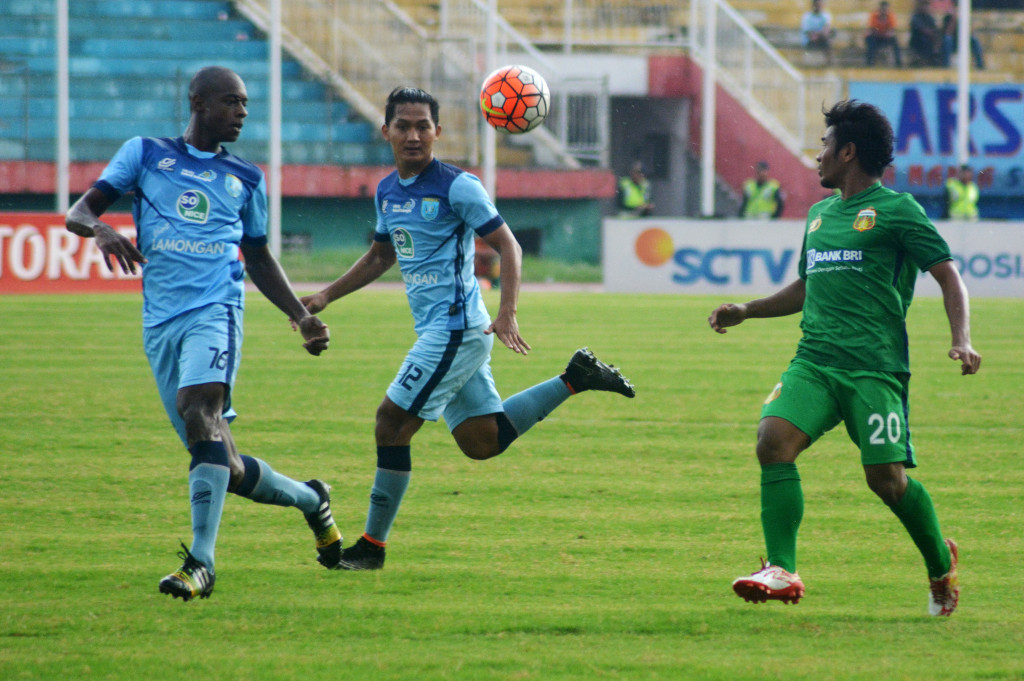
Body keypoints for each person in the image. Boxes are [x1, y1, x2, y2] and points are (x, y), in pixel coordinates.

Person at [299, 87, 636, 571]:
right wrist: (327, 294)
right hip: (445, 332)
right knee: (482, 441)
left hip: (456, 330)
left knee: (390, 423)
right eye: (403, 126)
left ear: (438, 131)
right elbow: (381, 255)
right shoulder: (387, 190)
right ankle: (576, 377)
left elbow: (509, 246)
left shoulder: (458, 186)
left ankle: (372, 548)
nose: (413, 135)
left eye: (423, 126)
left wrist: (509, 311)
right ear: (386, 131)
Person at [65, 66, 340, 602]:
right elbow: (80, 210)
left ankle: (202, 563)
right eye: (232, 102)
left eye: (245, 105)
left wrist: (298, 316)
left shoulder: (246, 177)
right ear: (198, 101)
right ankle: (313, 500)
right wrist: (100, 228)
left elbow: (258, 255)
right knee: (224, 463)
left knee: (200, 412)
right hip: (160, 323)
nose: (242, 113)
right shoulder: (145, 154)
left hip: (216, 312)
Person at [708, 99, 981, 616]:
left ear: (848, 152)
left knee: (887, 481)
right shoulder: (818, 216)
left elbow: (948, 275)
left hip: (873, 369)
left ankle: (939, 563)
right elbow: (809, 288)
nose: (818, 156)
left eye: (824, 146)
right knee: (772, 441)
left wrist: (961, 338)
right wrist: (749, 309)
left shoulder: (899, 211)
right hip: (814, 362)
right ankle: (781, 568)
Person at [865, 1, 903, 67]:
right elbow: (872, 29)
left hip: (886, 38)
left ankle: (898, 63)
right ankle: (870, 63)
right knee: (870, 40)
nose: (884, 11)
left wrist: (888, 33)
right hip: (876, 37)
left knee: (895, 41)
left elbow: (892, 29)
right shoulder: (874, 15)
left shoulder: (891, 16)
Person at [800, 0, 836, 65]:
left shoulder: (825, 15)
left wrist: (817, 34)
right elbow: (808, 32)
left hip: (821, 38)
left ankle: (829, 62)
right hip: (810, 40)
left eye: (820, 5)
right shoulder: (807, 16)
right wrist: (818, 34)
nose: (819, 6)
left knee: (832, 33)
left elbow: (826, 29)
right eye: (817, 5)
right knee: (817, 37)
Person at [909, 0, 942, 66]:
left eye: (926, 5)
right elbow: (920, 29)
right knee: (924, 40)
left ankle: (936, 60)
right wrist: (930, 33)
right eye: (923, 5)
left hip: (929, 39)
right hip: (917, 41)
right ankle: (922, 61)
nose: (925, 7)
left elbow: (935, 29)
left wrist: (934, 34)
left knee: (940, 40)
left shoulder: (930, 18)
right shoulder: (915, 17)